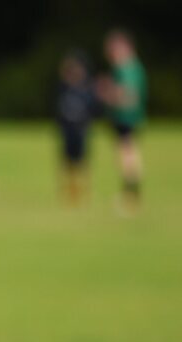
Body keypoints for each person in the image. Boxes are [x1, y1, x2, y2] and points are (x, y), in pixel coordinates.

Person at [98, 29, 146, 211]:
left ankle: (131, 195)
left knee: (128, 157)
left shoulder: (128, 68)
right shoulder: (129, 67)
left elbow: (129, 97)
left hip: (127, 118)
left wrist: (107, 93)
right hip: (126, 119)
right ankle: (130, 194)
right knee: (127, 155)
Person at [55, 51, 99, 204]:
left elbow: (93, 109)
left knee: (82, 162)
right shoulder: (63, 88)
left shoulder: (87, 88)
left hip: (81, 130)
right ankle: (70, 192)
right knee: (67, 163)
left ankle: (84, 191)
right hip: (67, 131)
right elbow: (59, 111)